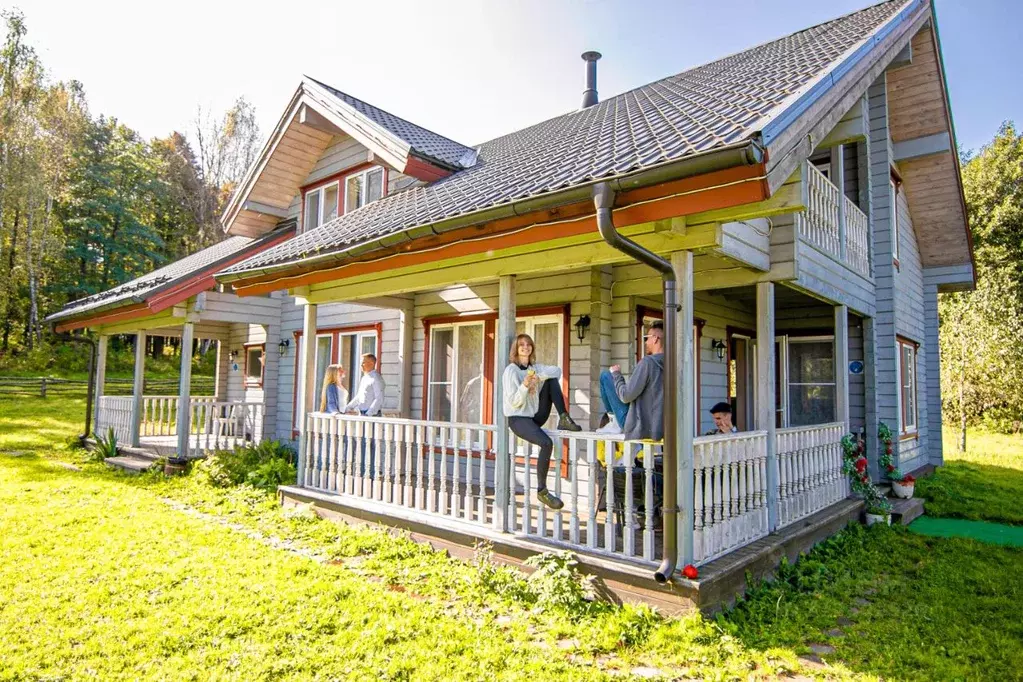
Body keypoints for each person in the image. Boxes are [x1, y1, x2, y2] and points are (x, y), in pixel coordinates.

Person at [502, 333, 582, 510]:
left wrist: (538, 377)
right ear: (516, 348)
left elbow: (557, 371)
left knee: (551, 379)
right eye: (521, 344)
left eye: (528, 344)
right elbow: (514, 402)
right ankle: (542, 491)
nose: (525, 347)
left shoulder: (534, 368)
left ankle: (564, 417)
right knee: (546, 443)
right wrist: (524, 385)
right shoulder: (511, 371)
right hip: (518, 419)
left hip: (535, 416)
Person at [597, 321, 665, 442]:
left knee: (606, 376)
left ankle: (614, 422)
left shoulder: (647, 363)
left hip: (639, 427)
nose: (646, 342)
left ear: (655, 339)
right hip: (659, 428)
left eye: (647, 338)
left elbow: (626, 396)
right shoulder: (673, 364)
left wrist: (617, 374)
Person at [345, 354, 386, 477]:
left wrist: (368, 414)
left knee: (370, 444)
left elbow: (379, 399)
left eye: (364, 362)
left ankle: (371, 473)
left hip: (371, 415)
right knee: (361, 443)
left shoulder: (376, 378)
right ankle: (363, 471)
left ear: (372, 363)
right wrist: (348, 407)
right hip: (361, 414)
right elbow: (359, 396)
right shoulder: (364, 378)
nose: (361, 365)